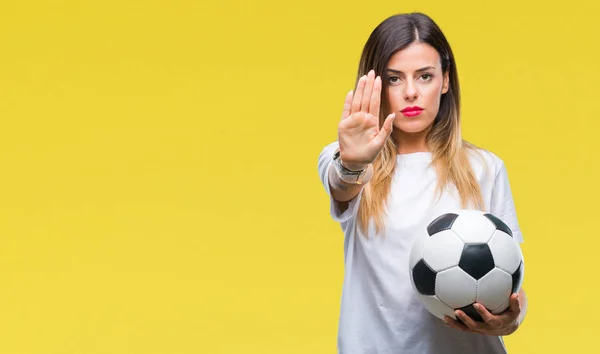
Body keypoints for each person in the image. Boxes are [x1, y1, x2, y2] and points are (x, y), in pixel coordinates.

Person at [317, 12, 528, 354]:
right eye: (395, 78)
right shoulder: (347, 158)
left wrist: (509, 320)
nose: (411, 92)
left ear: (445, 80)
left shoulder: (485, 168)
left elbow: (509, 278)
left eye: (425, 76)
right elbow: (342, 185)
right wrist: (354, 162)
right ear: (375, 84)